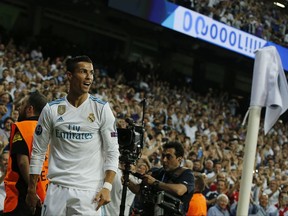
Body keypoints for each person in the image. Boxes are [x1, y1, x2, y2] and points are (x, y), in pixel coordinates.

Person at [26, 55, 119, 216]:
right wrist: (31, 189)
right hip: (56, 189)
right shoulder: (51, 110)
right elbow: (38, 151)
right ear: (69, 75)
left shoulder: (102, 109)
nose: (89, 76)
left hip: (88, 192)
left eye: (91, 73)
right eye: (83, 71)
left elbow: (112, 151)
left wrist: (107, 186)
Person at [3, 91, 49, 216]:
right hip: (46, 197)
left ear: (30, 109)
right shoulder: (50, 131)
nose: (19, 108)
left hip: (23, 197)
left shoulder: (23, 128)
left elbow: (23, 162)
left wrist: (32, 191)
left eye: (22, 105)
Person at [128, 141, 194, 216]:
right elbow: (139, 191)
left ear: (179, 159)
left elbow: (179, 190)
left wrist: (155, 183)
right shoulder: (157, 172)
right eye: (163, 156)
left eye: (169, 157)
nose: (164, 160)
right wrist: (128, 182)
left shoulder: (186, 174)